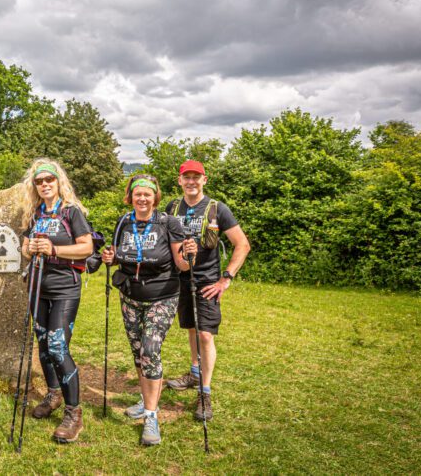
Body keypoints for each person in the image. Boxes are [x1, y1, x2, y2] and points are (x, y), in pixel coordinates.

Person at [101, 174, 193, 446]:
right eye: (137, 194)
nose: (142, 198)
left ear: (155, 197)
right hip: (130, 295)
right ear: (130, 197)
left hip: (162, 295)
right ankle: (145, 399)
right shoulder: (124, 222)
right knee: (138, 351)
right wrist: (110, 257)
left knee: (150, 349)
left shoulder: (168, 223)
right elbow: (120, 253)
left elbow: (183, 265)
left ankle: (151, 416)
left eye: (147, 194)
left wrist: (190, 255)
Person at [164, 160, 250, 422]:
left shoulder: (217, 209)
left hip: (207, 283)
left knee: (205, 335)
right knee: (191, 328)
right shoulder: (172, 207)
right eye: (186, 177)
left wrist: (226, 279)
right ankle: (193, 372)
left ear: (204, 180)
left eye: (196, 177)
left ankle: (205, 391)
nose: (191, 181)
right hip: (180, 279)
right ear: (179, 181)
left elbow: (242, 245)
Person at [20, 159, 94, 444]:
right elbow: (26, 248)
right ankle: (52, 395)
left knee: (57, 346)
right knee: (42, 343)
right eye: (39, 181)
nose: (45, 184)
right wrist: (29, 247)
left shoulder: (71, 211)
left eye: (49, 179)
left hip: (64, 287)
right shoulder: (35, 213)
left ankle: (73, 413)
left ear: (58, 181)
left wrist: (53, 248)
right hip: (37, 287)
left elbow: (87, 247)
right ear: (35, 186)